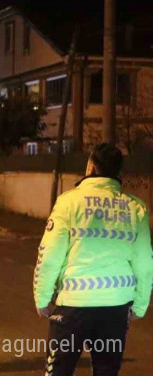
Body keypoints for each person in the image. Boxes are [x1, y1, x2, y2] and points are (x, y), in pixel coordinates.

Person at [34, 143, 153, 376]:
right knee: (107, 372)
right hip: (115, 308)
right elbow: (145, 262)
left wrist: (42, 297)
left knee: (58, 371)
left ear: (90, 166)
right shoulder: (135, 208)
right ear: (119, 172)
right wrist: (140, 305)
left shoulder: (69, 202)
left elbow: (50, 253)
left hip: (73, 307)